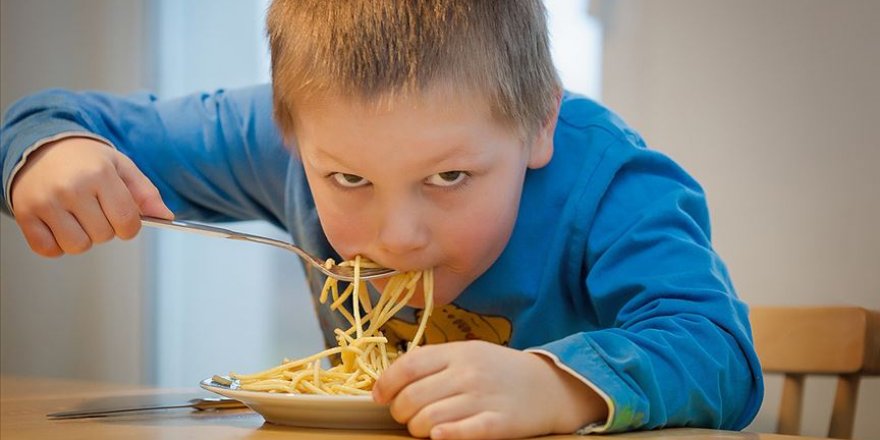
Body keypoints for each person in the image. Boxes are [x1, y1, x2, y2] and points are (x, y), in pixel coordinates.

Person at [0, 1, 763, 438]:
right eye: (349, 179)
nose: (396, 235)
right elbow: (57, 116)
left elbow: (719, 352)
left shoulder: (611, 184)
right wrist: (51, 152)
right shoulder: (287, 138)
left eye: (450, 177)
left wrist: (555, 388)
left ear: (538, 127)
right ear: (292, 132)